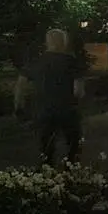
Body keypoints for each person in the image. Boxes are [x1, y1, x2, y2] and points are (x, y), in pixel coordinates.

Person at [14, 28, 85, 166]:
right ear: (64, 42)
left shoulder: (37, 61)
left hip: (43, 108)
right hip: (67, 109)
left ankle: (47, 172)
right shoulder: (72, 62)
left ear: (47, 42)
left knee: (46, 145)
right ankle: (71, 171)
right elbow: (78, 90)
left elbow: (20, 85)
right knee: (73, 144)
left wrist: (19, 106)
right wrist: (77, 101)